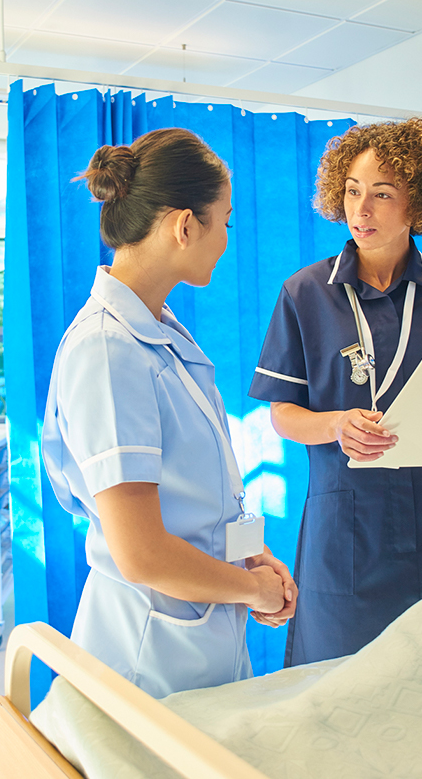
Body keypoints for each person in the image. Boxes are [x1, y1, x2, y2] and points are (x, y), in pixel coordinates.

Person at [41, 128, 297, 700]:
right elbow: (142, 552)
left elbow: (200, 492)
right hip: (146, 653)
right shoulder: (107, 348)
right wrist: (251, 591)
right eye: (225, 222)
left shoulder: (159, 332)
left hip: (196, 635)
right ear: (186, 226)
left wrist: (252, 558)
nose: (227, 239)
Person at [249, 118, 422, 668]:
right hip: (345, 526)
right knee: (337, 683)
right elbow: (283, 415)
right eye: (353, 192)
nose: (361, 211)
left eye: (382, 195)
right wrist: (337, 425)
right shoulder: (305, 293)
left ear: (421, 203)